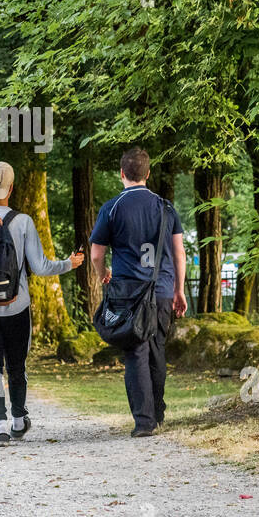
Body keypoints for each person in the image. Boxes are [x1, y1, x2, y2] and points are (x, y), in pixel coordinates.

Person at [0, 161, 84, 446]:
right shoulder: (23, 221)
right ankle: (18, 419)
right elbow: (39, 267)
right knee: (16, 365)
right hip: (17, 308)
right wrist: (69, 263)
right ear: (11, 188)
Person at [89, 147, 187, 437]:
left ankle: (144, 422)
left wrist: (102, 274)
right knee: (157, 350)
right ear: (148, 174)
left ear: (122, 174)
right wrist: (179, 290)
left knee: (135, 352)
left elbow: (96, 254)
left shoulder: (112, 207)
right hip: (162, 290)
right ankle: (157, 412)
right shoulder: (166, 208)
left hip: (128, 294)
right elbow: (178, 252)